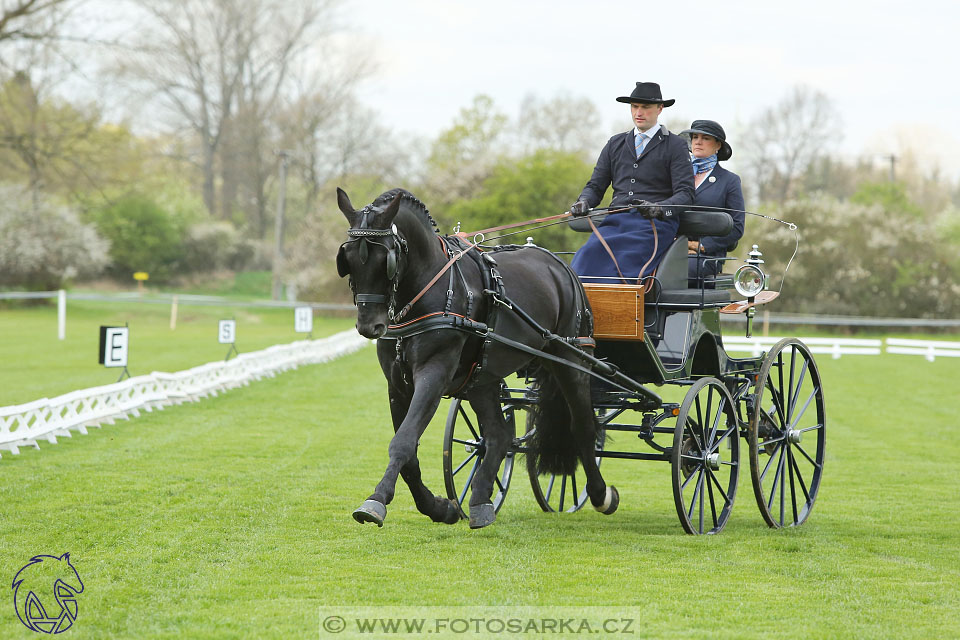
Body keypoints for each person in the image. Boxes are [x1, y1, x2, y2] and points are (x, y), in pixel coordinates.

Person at [569, 82, 694, 283]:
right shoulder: (615, 144)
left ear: (659, 109)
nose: (639, 112)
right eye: (635, 107)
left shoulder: (675, 146)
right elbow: (595, 186)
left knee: (624, 267)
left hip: (653, 226)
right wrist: (584, 200)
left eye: (645, 107)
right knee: (585, 258)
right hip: (614, 222)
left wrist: (659, 208)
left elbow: (686, 194)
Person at [679, 119, 745, 286]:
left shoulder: (729, 181)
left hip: (706, 256)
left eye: (705, 138)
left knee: (677, 271)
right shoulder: (678, 176)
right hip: (672, 248)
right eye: (695, 137)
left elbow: (737, 227)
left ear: (718, 146)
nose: (698, 141)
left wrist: (699, 245)